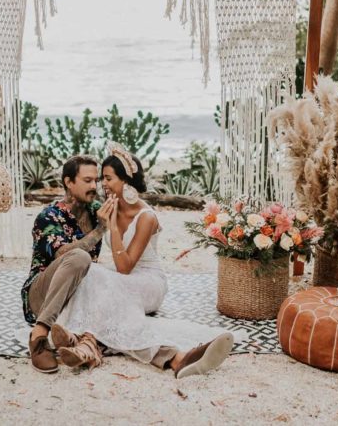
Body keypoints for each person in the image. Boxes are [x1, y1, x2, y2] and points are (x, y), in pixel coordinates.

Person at [50, 142, 234, 379]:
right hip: (123, 279)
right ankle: (87, 343)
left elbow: (125, 267)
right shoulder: (107, 207)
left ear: (126, 182)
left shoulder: (146, 216)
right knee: (92, 274)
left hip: (148, 282)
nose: (102, 184)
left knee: (103, 281)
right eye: (102, 178)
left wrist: (111, 226)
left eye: (108, 178)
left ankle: (82, 338)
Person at [22, 154, 113, 373]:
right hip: (41, 295)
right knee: (80, 257)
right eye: (87, 181)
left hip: (74, 295)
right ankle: (39, 336)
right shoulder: (49, 216)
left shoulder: (96, 211)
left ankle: (76, 341)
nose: (94, 186)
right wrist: (100, 230)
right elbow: (63, 254)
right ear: (68, 182)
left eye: (96, 180)